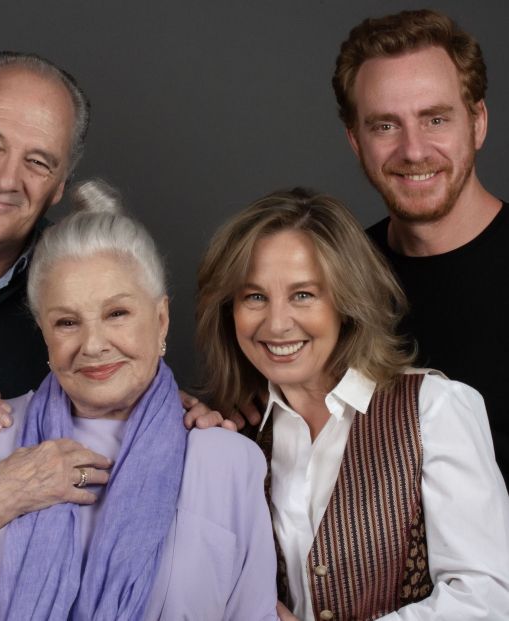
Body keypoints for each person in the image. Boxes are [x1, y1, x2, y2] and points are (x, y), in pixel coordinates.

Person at [0, 180, 278, 621]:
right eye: (68, 322)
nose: (93, 345)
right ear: (44, 333)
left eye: (117, 314)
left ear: (161, 318)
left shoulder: (227, 461)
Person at [0, 51, 217, 481]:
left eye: (38, 162)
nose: (7, 180)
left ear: (60, 185)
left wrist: (165, 406)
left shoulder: (75, 278)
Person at [196, 188, 509, 620]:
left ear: (346, 300)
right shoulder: (234, 435)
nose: (277, 323)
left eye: (303, 294)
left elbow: (488, 598)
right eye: (254, 297)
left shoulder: (435, 409)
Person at [332, 9, 509, 485]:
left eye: (435, 119)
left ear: (477, 123)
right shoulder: (338, 284)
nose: (413, 151)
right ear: (355, 141)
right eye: (385, 126)